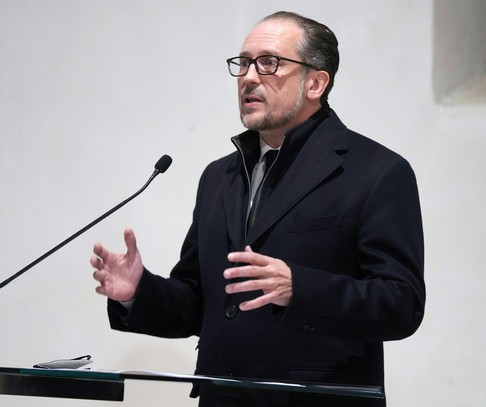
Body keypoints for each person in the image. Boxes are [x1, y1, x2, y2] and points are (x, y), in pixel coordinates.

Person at [90, 11, 425, 407]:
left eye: (269, 63)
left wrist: (298, 287)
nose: (249, 77)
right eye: (243, 63)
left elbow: (401, 304)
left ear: (316, 82)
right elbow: (202, 303)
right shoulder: (219, 177)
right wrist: (139, 292)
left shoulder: (375, 171)